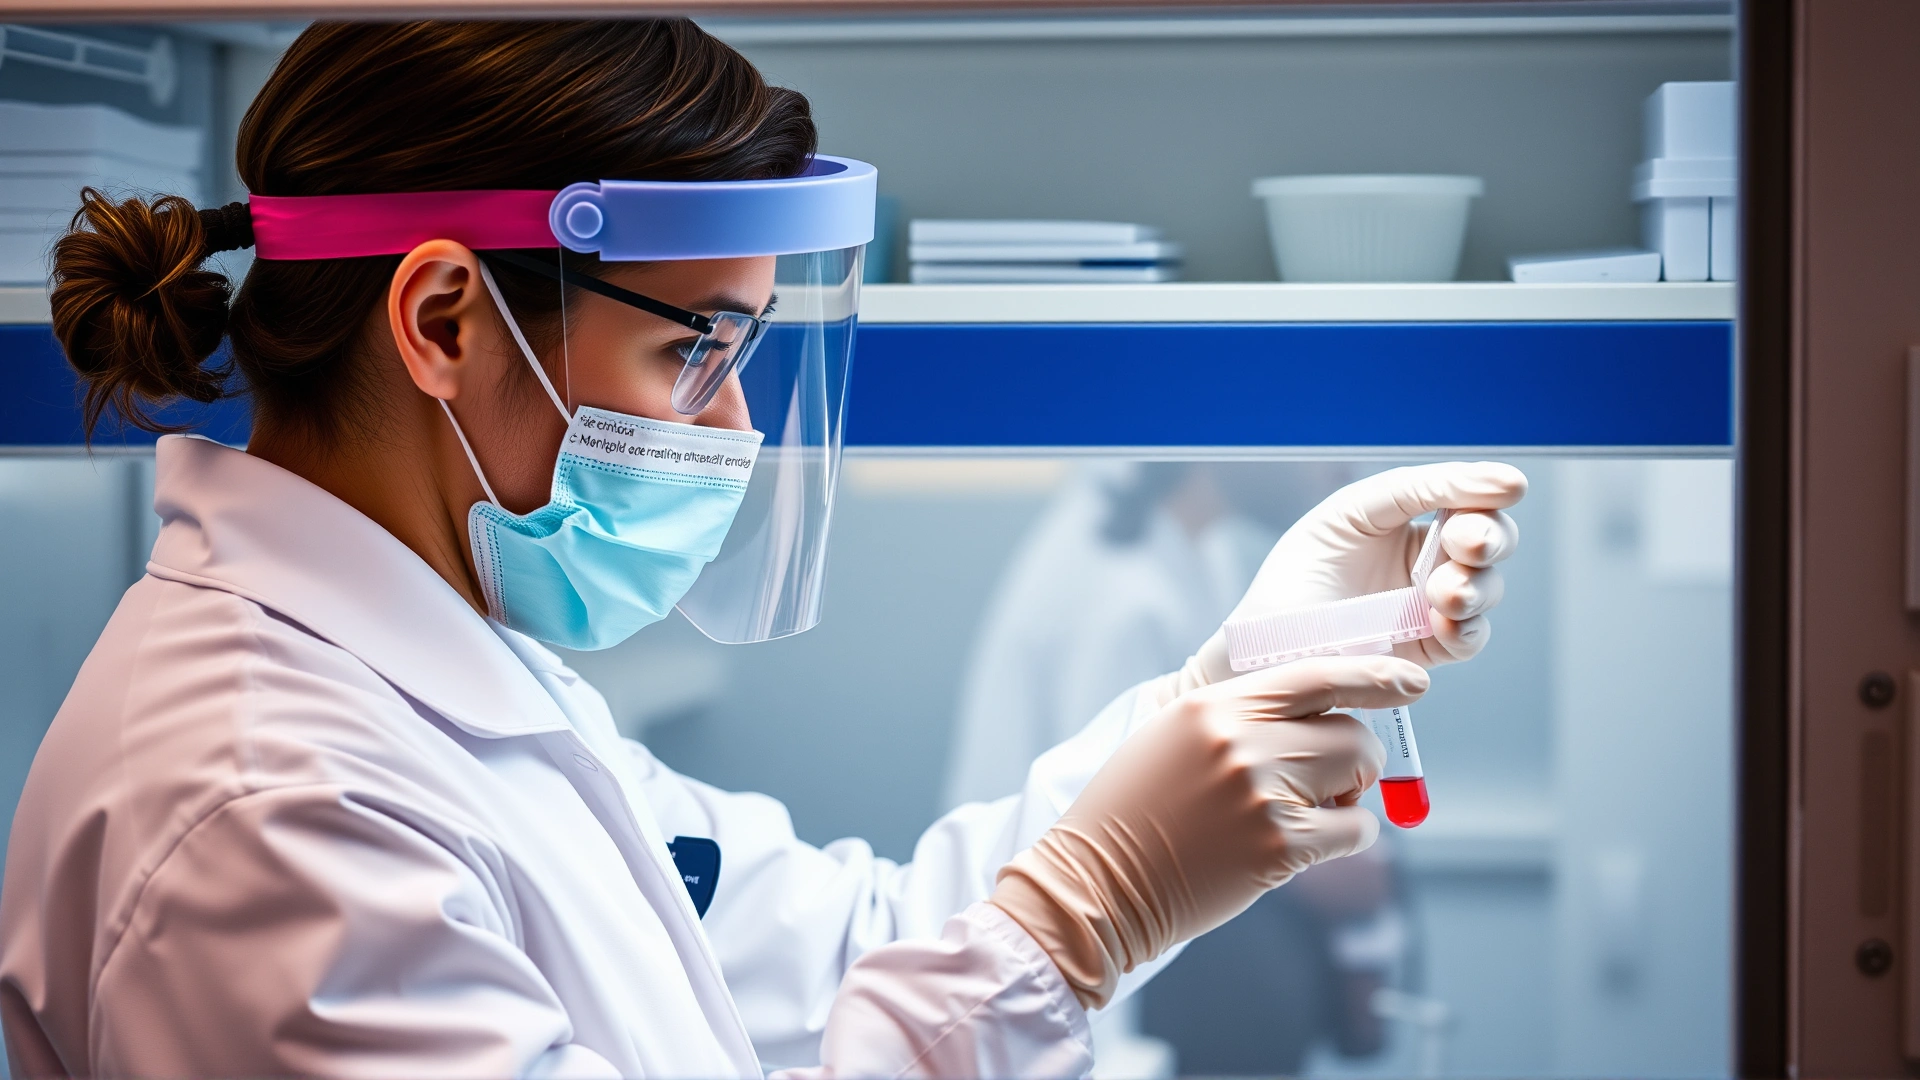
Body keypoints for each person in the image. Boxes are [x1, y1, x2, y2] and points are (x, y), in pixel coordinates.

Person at [0, 20, 1526, 1079]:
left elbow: (852, 944)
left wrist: (1218, 692)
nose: (732, 430)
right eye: (698, 354)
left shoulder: (456, 690)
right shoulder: (263, 810)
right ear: (445, 321)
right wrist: (1073, 927)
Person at [946, 462, 1411, 1076]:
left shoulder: (1200, 548)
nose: (1341, 467)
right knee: (1262, 981)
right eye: (1316, 437)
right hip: (1064, 956)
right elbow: (1115, 835)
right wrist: (1313, 875)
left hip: (1120, 923)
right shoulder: (1121, 595)